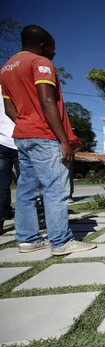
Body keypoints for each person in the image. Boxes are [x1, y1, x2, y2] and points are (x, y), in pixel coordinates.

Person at [0, 25, 96, 255]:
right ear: (42, 46)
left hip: (23, 135)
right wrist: (62, 139)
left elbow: (9, 109)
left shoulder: (5, 69)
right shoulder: (40, 63)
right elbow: (47, 101)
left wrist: (25, 123)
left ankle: (28, 239)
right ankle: (61, 241)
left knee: (25, 189)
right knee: (55, 188)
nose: (54, 54)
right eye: (52, 49)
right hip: (46, 135)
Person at [0, 83, 18, 235]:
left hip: (2, 142)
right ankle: (29, 220)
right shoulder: (16, 88)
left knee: (1, 184)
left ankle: (1, 219)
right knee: (27, 184)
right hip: (20, 139)